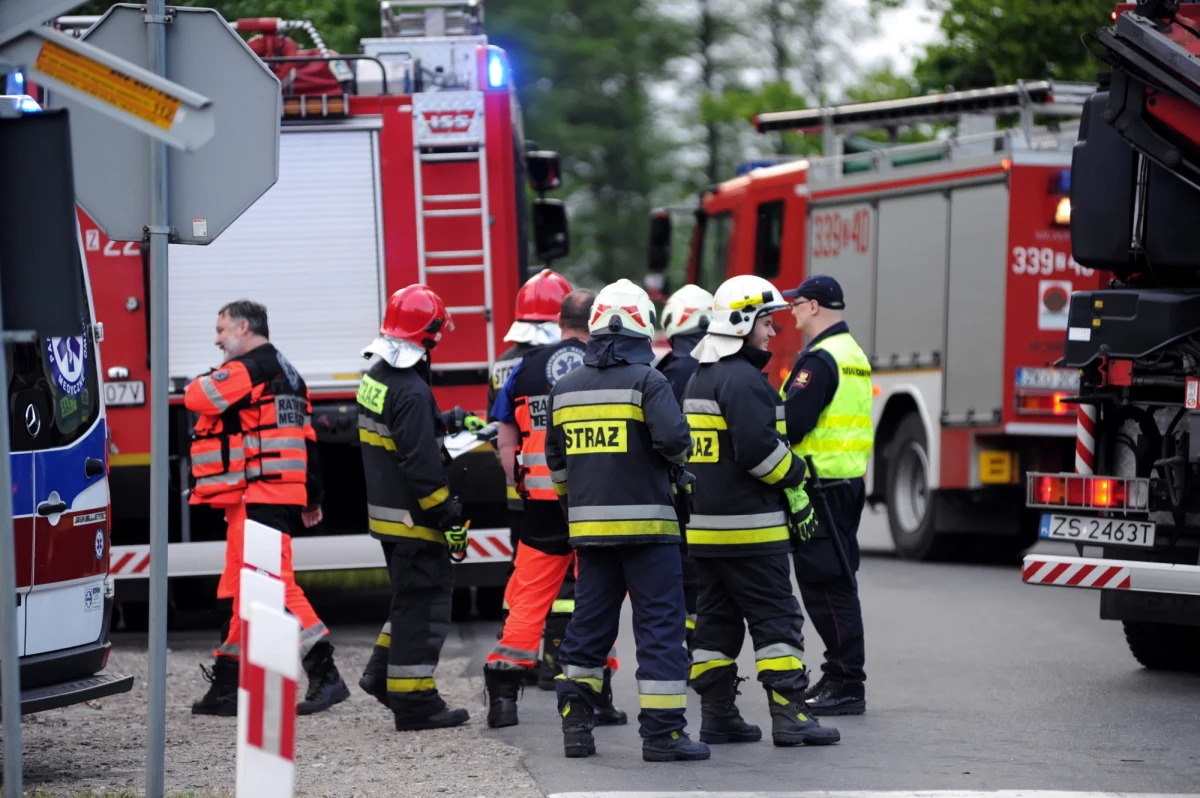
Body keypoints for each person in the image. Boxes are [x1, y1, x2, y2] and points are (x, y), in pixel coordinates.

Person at [546, 278, 708, 763]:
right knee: (660, 628)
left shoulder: (565, 387)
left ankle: (577, 728)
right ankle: (662, 735)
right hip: (650, 532)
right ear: (643, 327)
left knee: (589, 625)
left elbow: (556, 465)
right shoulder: (648, 380)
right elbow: (676, 441)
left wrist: (575, 508)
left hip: (590, 534)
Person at [682, 275, 840, 748]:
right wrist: (797, 476)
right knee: (776, 621)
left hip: (706, 534)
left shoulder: (701, 375)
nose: (773, 333)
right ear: (743, 322)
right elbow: (757, 452)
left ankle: (717, 716)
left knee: (715, 624)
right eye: (767, 323)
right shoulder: (744, 380)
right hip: (751, 532)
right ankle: (791, 716)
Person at [188, 300, 349, 718]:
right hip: (264, 497)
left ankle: (325, 673)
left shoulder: (248, 370)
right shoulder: (290, 373)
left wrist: (210, 374)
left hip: (260, 495)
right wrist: (312, 497)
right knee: (238, 592)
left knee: (274, 589)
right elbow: (307, 437)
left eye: (222, 329)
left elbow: (196, 396)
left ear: (244, 327)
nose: (217, 339)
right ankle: (227, 686)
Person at [483, 288, 626, 730]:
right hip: (594, 505)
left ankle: (503, 700)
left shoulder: (525, 368)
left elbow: (504, 432)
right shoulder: (610, 365)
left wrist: (520, 480)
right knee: (596, 600)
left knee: (527, 600)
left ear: (559, 322)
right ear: (599, 321)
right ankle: (596, 698)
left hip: (541, 507)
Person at [354, 284, 472, 731]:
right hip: (415, 521)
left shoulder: (377, 375)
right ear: (427, 335)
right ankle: (415, 702)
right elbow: (422, 467)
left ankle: (381, 676)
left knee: (407, 601)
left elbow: (400, 433)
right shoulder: (412, 391)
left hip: (389, 516)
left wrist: (442, 424)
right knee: (425, 604)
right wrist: (448, 515)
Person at [780, 274, 872, 717]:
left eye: (795, 304)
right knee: (837, 581)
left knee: (825, 587)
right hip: (846, 483)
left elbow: (792, 425)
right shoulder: (851, 352)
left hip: (820, 488)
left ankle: (846, 681)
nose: (791, 312)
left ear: (813, 306)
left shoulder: (817, 361)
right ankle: (840, 675)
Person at [489, 269, 574, 562]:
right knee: (567, 570)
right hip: (562, 490)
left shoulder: (502, 362)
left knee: (524, 567)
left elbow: (497, 431)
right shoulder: (562, 361)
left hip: (519, 489)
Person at [654, 284, 714, 650]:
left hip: (674, 491)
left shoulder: (664, 374)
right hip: (719, 488)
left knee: (680, 571)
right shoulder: (721, 368)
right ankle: (706, 643)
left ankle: (687, 641)